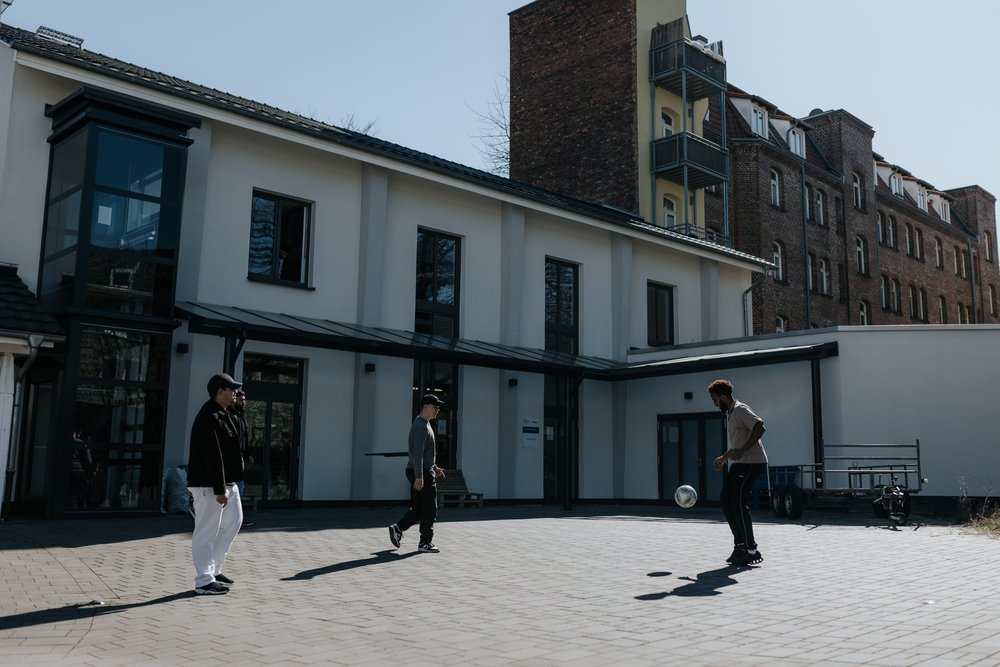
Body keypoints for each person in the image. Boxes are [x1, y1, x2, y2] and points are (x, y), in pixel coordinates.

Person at [187, 372, 245, 595]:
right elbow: (213, 456)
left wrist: (239, 409)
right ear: (220, 391)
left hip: (227, 483)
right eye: (232, 389)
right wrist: (220, 489)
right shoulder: (208, 416)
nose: (235, 393)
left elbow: (236, 441)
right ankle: (203, 581)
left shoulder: (224, 413)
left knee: (234, 521)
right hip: (209, 485)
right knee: (206, 531)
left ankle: (214, 570)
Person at [708, 378, 768, 567]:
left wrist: (743, 451)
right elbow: (737, 445)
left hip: (752, 462)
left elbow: (760, 426)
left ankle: (751, 549)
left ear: (723, 396)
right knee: (727, 499)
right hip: (741, 463)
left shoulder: (741, 409)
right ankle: (740, 545)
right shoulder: (730, 412)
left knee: (739, 501)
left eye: (715, 399)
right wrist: (724, 458)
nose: (714, 403)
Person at [388, 394, 447, 553]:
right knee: (430, 508)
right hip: (421, 473)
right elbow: (418, 454)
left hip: (423, 471)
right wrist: (420, 476)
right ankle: (425, 543)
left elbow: (425, 454)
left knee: (420, 508)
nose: (437, 410)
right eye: (435, 407)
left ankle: (398, 528)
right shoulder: (421, 427)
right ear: (426, 406)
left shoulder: (423, 424)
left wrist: (434, 467)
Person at [229, 388, 254, 527]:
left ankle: (236, 517)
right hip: (234, 457)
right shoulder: (232, 417)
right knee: (238, 487)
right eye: (241, 400)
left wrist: (247, 453)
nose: (243, 402)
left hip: (240, 457)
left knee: (239, 486)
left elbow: (245, 438)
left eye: (244, 400)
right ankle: (236, 517)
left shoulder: (241, 417)